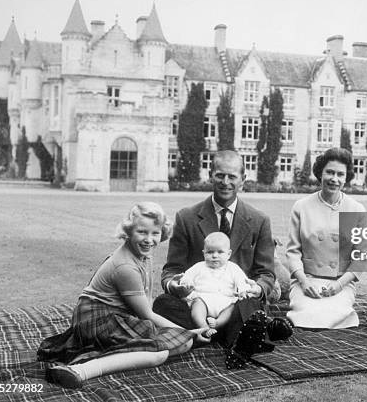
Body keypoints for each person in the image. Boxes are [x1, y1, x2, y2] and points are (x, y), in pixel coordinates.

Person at [37, 202, 206, 389]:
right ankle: (80, 370)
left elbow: (146, 305)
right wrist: (189, 332)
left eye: (155, 233)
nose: (149, 239)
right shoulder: (125, 267)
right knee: (161, 352)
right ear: (128, 231)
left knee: (182, 343)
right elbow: (147, 315)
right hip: (95, 319)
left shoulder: (144, 255)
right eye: (142, 232)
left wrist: (184, 335)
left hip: (117, 317)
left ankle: (112, 353)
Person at [153, 150, 293, 366]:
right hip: (196, 303)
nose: (225, 182)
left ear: (243, 180)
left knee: (252, 304)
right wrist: (175, 286)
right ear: (211, 175)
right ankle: (243, 336)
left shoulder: (259, 220)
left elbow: (266, 273)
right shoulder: (186, 217)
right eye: (220, 175)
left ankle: (209, 335)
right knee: (163, 304)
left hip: (236, 303)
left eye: (232, 176)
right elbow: (171, 270)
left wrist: (257, 288)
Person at [286, 147, 366, 329]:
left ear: (346, 178)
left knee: (336, 314)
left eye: (340, 174)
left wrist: (339, 285)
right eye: (329, 172)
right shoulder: (301, 207)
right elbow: (292, 252)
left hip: (341, 283)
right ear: (320, 173)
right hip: (306, 279)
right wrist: (304, 282)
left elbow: (361, 257)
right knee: (306, 314)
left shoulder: (356, 210)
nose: (334, 179)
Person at [180, 232, 253, 337]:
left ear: (229, 254)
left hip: (225, 301)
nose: (214, 256)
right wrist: (187, 283)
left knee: (232, 307)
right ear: (203, 253)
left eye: (220, 252)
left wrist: (243, 290)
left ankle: (218, 323)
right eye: (210, 252)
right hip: (203, 299)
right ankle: (204, 327)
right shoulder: (199, 267)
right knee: (197, 306)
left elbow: (243, 281)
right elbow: (187, 277)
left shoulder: (233, 268)